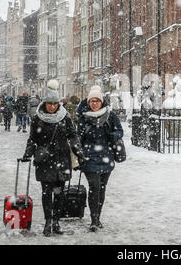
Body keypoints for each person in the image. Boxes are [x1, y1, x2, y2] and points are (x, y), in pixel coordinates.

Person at [21, 80, 83, 237]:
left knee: (60, 192)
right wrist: (28, 153)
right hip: (45, 160)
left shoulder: (65, 117)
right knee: (46, 192)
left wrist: (78, 151)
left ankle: (56, 221)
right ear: (45, 103)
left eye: (55, 104)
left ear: (58, 104)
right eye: (50, 103)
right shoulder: (38, 118)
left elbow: (73, 136)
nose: (52, 106)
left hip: (62, 159)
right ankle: (48, 221)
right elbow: (33, 139)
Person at [77, 85, 124, 232]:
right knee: (94, 187)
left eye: (97, 100)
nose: (95, 103)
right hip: (89, 157)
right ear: (88, 102)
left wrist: (113, 135)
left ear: (101, 102)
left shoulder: (110, 116)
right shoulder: (83, 117)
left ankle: (98, 216)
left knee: (102, 189)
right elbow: (77, 137)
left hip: (106, 156)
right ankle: (94, 219)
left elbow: (119, 131)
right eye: (92, 101)